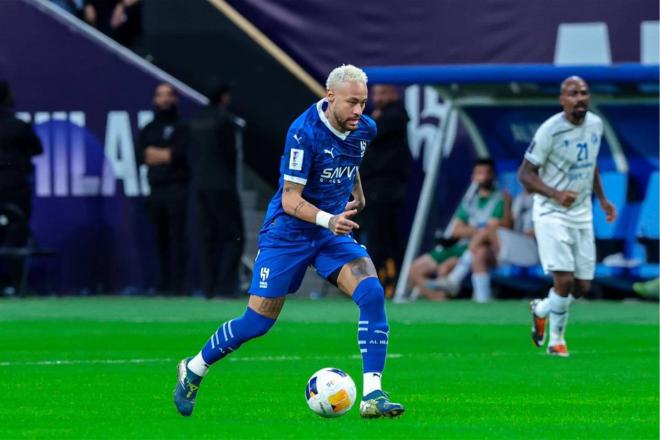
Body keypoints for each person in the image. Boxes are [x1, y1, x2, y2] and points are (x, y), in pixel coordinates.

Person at [173, 65, 404, 418]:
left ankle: (373, 395)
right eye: (352, 102)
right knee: (257, 323)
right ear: (330, 98)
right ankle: (193, 369)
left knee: (371, 293)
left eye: (363, 102)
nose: (359, 110)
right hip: (289, 233)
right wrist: (331, 219)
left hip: (330, 232)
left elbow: (351, 157)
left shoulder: (364, 128)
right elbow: (290, 200)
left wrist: (357, 191)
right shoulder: (303, 133)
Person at [520, 76, 617, 357]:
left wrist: (602, 199)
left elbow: (591, 164)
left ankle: (541, 308)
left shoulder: (596, 125)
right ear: (562, 99)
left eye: (584, 93)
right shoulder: (550, 130)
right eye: (573, 93)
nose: (580, 98)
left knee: (582, 286)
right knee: (563, 280)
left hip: (582, 213)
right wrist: (554, 194)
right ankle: (556, 341)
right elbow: (525, 174)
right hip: (551, 212)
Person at [408, 159, 509, 301]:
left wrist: (472, 230)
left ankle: (457, 283)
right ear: (473, 176)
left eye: (487, 173)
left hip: (485, 248)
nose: (484, 177)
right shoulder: (469, 200)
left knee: (454, 264)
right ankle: (440, 299)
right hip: (460, 246)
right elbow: (456, 230)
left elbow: (495, 228)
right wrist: (477, 229)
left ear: (493, 175)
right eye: (479, 173)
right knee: (414, 270)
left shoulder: (500, 197)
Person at [188, 82, 245, 298]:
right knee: (234, 236)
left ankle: (208, 288)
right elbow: (230, 154)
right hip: (222, 186)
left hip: (200, 185)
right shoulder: (224, 120)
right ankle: (226, 287)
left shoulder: (194, 121)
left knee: (207, 237)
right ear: (224, 97)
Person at [429, 190, 537, 299]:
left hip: (532, 249)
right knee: (481, 253)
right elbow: (510, 227)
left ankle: (454, 279)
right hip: (515, 247)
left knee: (486, 231)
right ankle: (483, 301)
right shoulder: (519, 199)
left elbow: (526, 232)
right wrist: (507, 207)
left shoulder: (542, 199)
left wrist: (507, 206)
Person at [358, 85, 411, 296]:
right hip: (378, 187)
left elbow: (369, 131)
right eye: (375, 94)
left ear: (393, 94)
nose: (377, 98)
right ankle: (393, 284)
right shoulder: (379, 115)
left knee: (378, 236)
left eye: (382, 94)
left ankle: (375, 284)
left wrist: (374, 119)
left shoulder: (395, 115)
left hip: (384, 188)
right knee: (385, 236)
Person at [137, 83, 189, 295]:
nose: (164, 99)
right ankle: (163, 284)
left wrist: (158, 154)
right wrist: (165, 154)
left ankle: (178, 286)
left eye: (168, 95)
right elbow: (141, 155)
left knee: (178, 238)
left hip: (177, 189)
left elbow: (179, 155)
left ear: (175, 99)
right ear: (155, 100)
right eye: (160, 95)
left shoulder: (183, 127)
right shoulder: (149, 128)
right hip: (155, 190)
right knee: (160, 240)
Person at [0, 81, 43, 293]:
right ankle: (17, 285)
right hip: (15, 190)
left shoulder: (19, 125)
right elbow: (37, 149)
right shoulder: (18, 126)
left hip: (13, 189)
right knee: (16, 236)